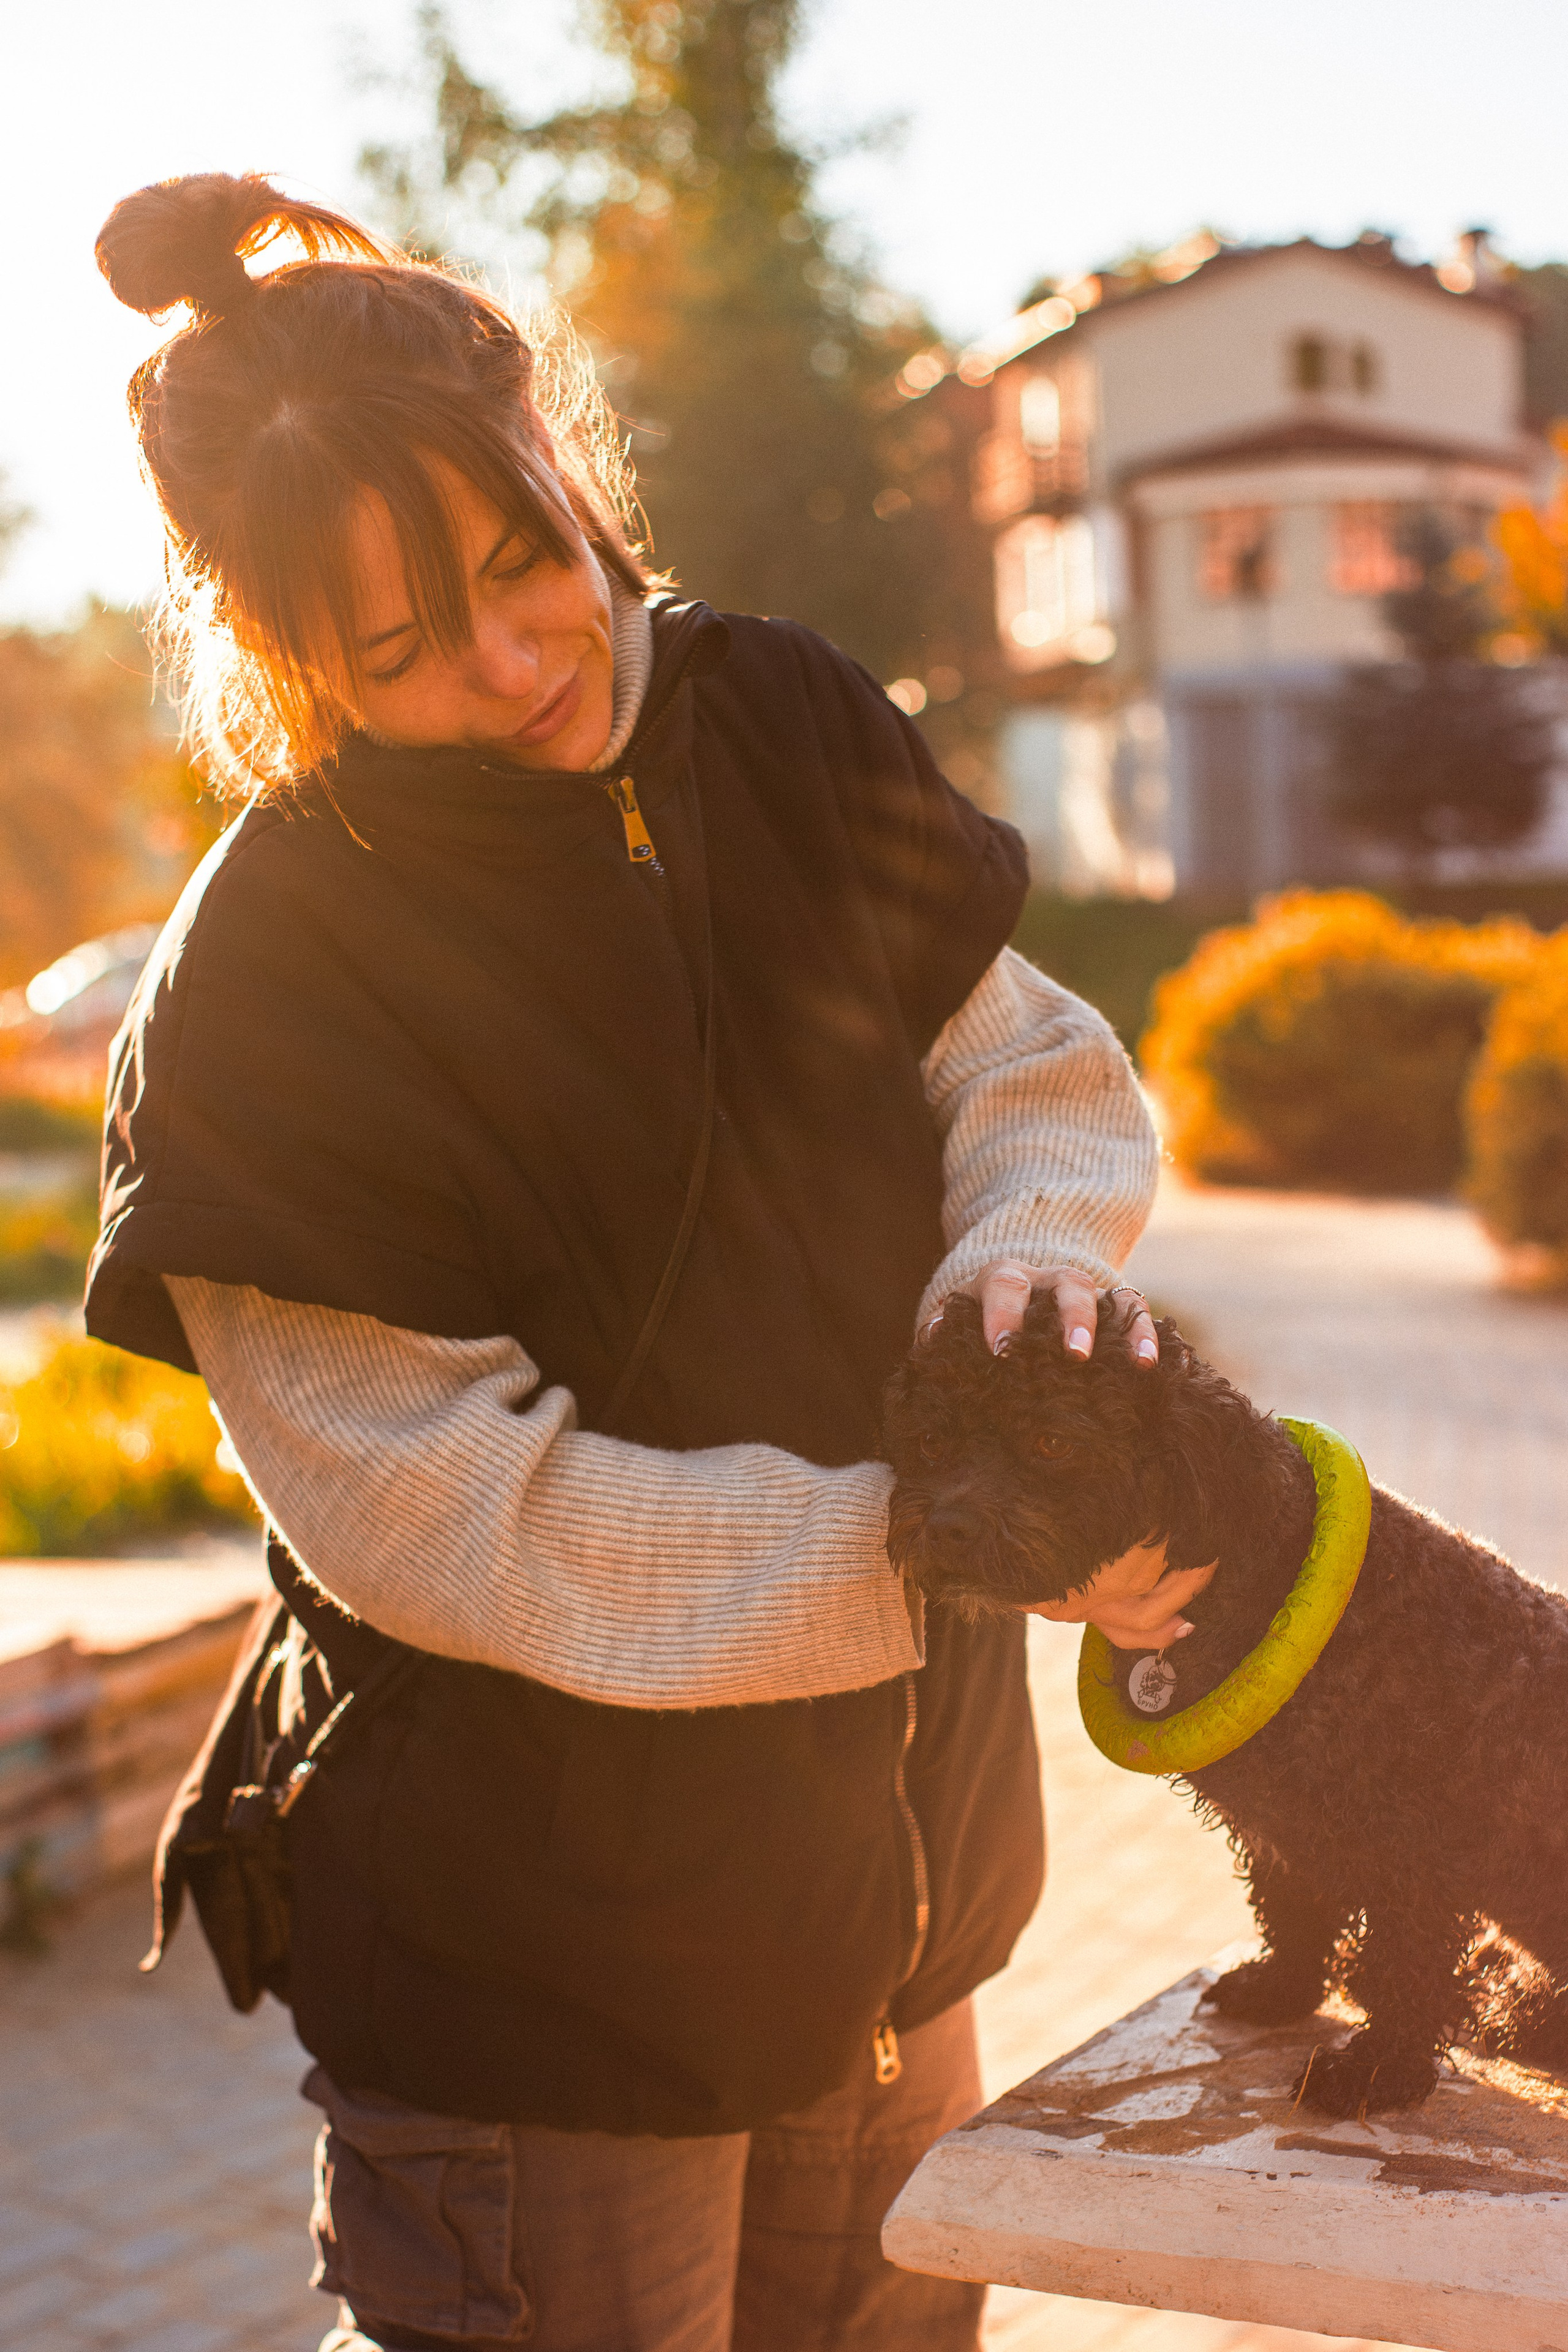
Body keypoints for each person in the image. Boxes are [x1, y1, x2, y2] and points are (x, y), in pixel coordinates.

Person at [88, 173, 1197, 2352]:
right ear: (277, 653)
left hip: (908, 1931)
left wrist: (1031, 1310)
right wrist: (937, 1547)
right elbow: (449, 1516)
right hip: (546, 2009)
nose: (520, 668)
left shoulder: (780, 712)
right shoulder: (271, 987)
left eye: (528, 566)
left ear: (558, 454)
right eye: (402, 653)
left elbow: (1027, 1075)